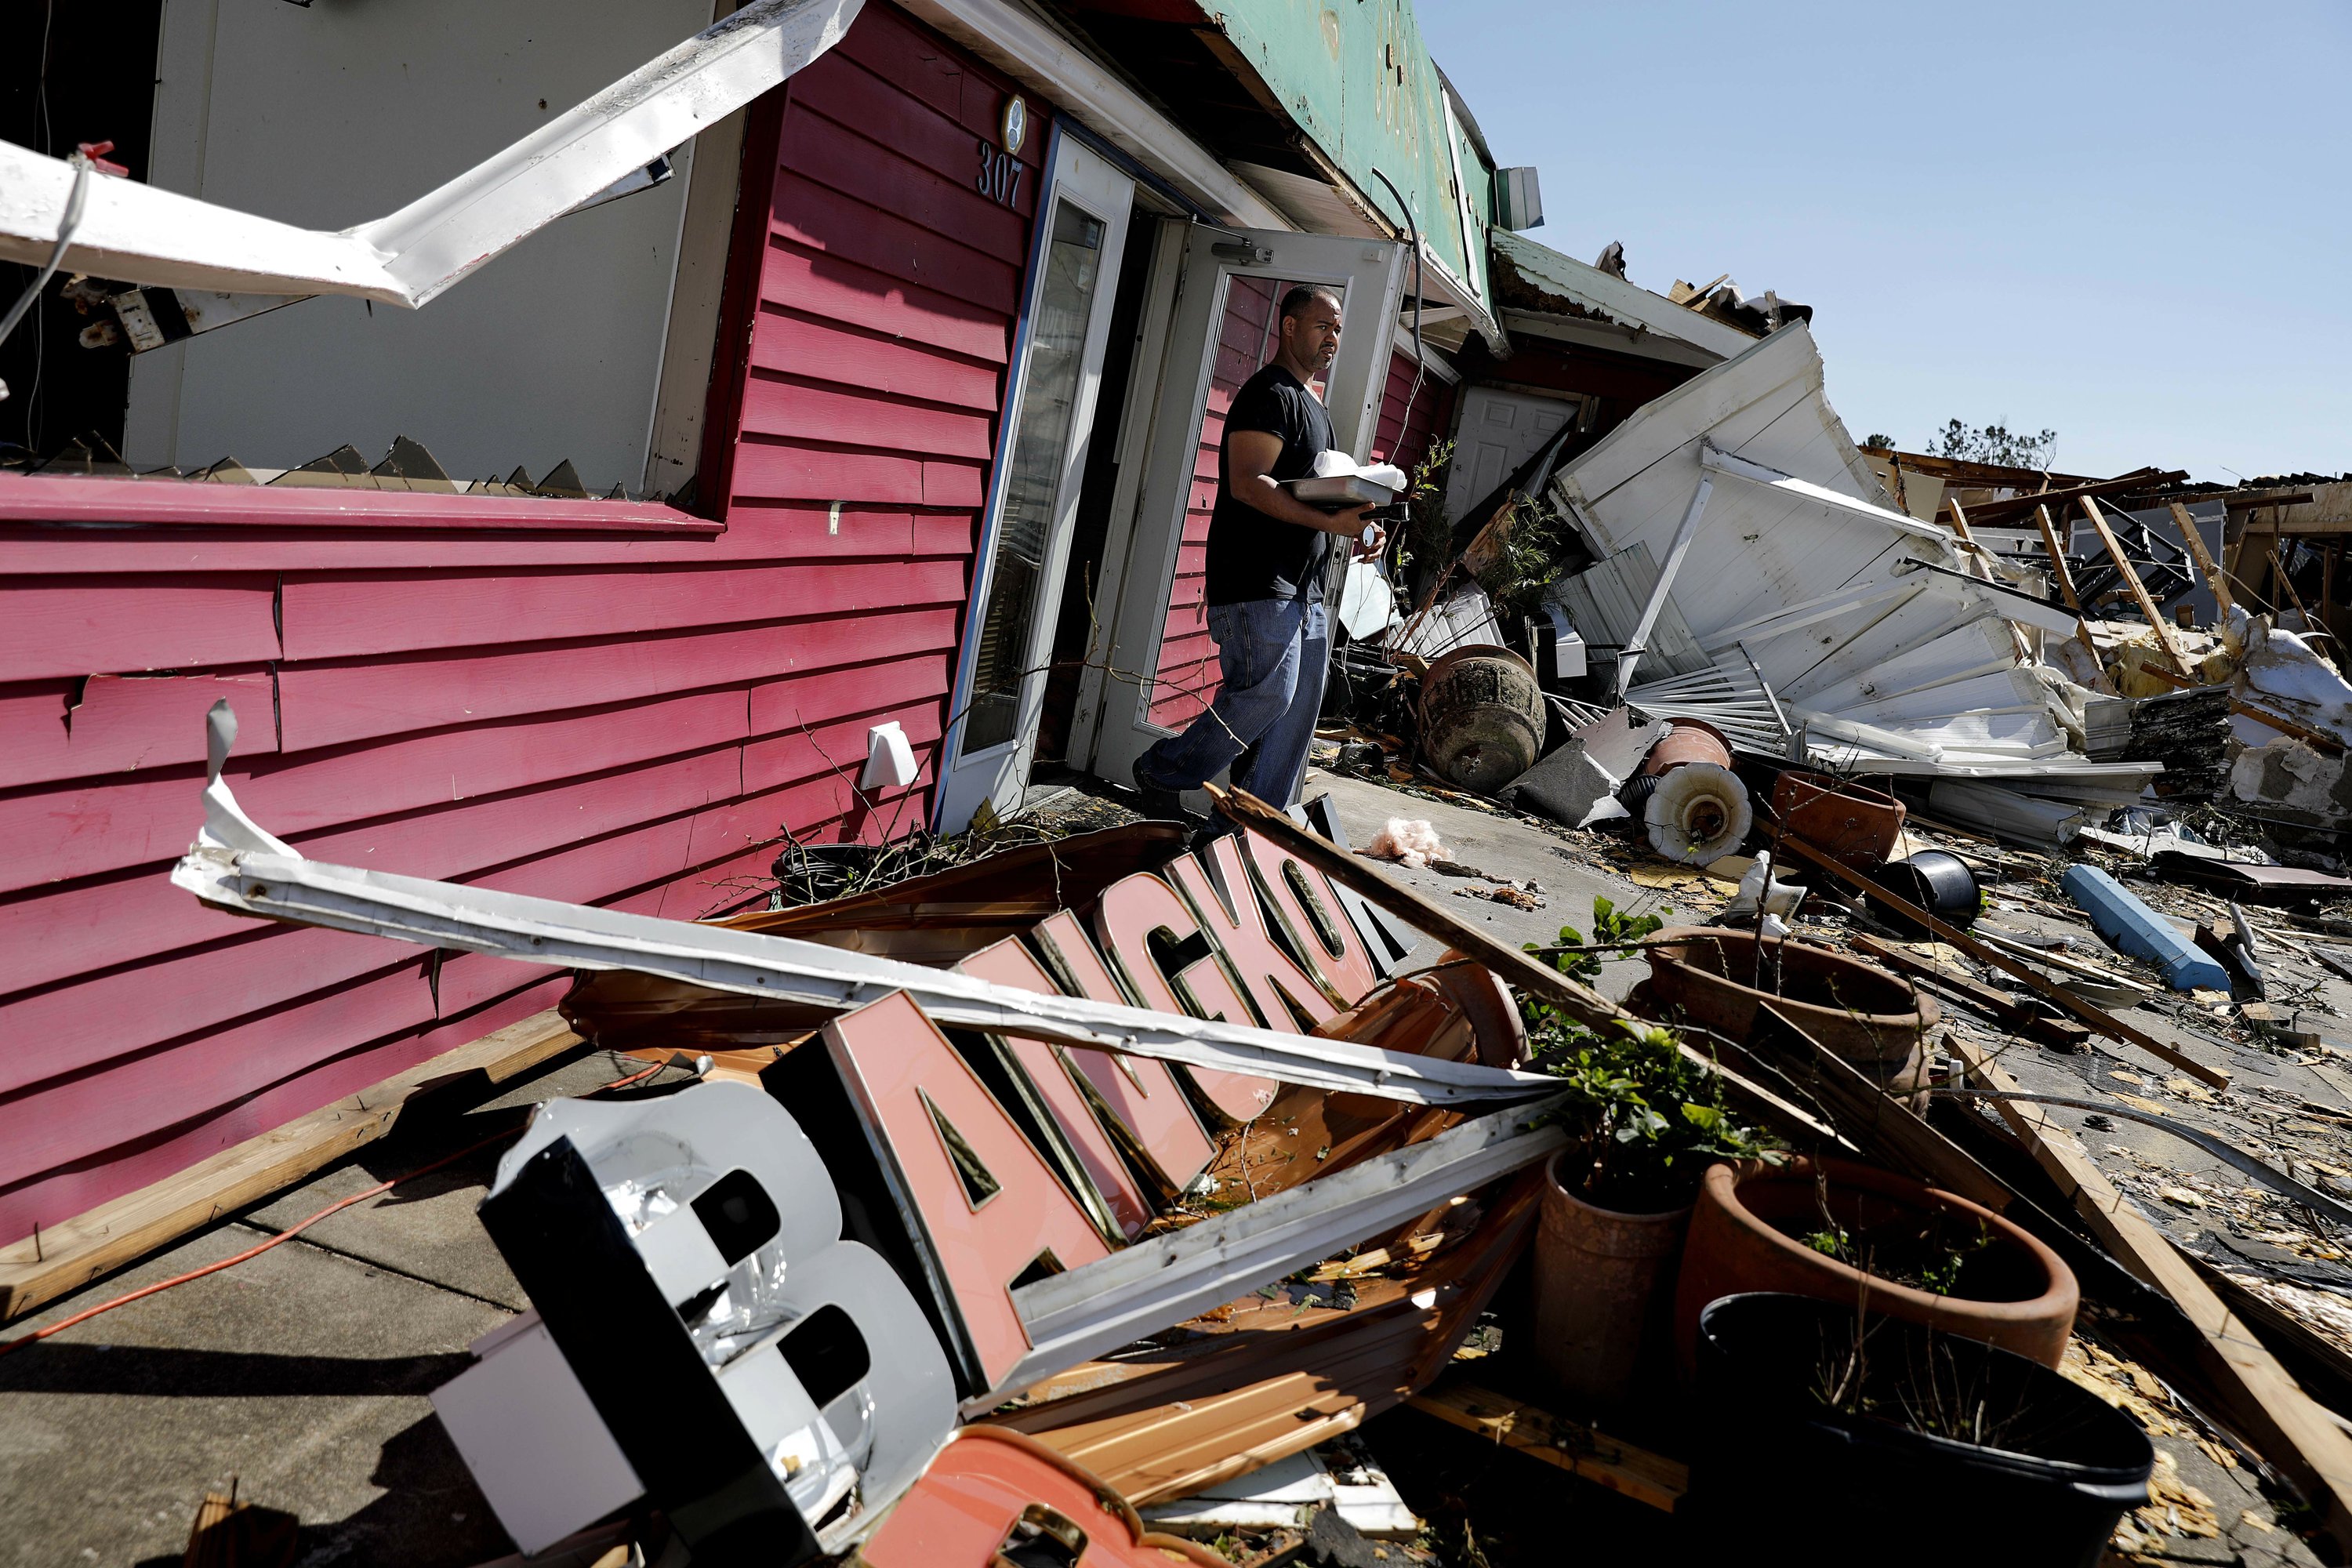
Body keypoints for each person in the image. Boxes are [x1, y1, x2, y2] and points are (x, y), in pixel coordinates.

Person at [1132, 284, 1381, 820]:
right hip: (1258, 582)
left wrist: (1359, 525)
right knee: (1268, 696)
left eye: (1338, 329)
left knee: (1293, 719)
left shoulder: (1314, 405)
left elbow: (1310, 489)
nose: (1333, 338)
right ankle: (1164, 770)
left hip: (1306, 588)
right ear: (1289, 327)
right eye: (1322, 326)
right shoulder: (1270, 394)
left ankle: (1245, 829)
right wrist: (1328, 523)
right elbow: (1248, 483)